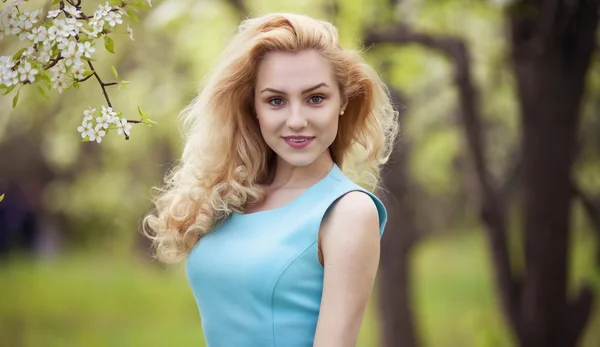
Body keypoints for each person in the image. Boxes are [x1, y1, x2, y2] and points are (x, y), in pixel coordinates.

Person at [143, 12, 399, 347]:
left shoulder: (348, 212)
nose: (296, 120)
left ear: (343, 101)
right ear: (254, 108)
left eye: (315, 98)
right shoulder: (233, 195)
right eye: (276, 100)